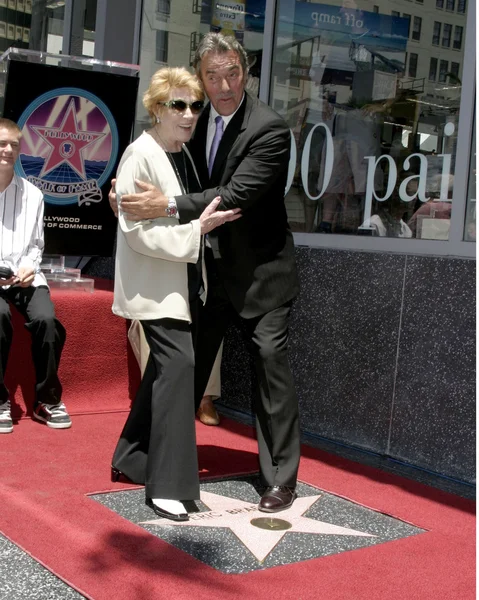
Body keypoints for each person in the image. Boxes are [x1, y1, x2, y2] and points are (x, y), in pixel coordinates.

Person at [112, 33, 301, 513]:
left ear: (247, 71)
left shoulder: (270, 129)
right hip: (202, 272)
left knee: (269, 372)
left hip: (262, 277)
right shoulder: (190, 119)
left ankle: (279, 479)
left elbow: (235, 194)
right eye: (212, 76)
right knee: (176, 370)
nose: (223, 86)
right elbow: (156, 167)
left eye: (232, 73)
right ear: (200, 79)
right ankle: (137, 456)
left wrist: (168, 204)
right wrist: (125, 192)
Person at [110, 67, 240, 522]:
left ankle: (131, 456)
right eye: (178, 105)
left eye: (195, 105)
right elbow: (137, 232)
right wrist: (196, 230)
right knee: (180, 368)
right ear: (156, 108)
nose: (189, 114)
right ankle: (165, 485)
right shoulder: (139, 155)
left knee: (165, 372)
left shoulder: (183, 154)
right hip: (155, 284)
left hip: (184, 282)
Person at [0, 118, 71, 433]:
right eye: (2, 143)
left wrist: (29, 266)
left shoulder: (33, 194)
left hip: (26, 277)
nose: (7, 150)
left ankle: (48, 400)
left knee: (46, 320)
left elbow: (36, 246)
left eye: (14, 145)